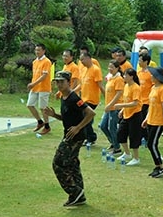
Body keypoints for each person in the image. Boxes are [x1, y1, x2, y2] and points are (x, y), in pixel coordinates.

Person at [43, 71, 96, 207]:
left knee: (58, 163)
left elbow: (91, 113)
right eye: (57, 82)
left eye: (62, 82)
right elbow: (67, 117)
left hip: (75, 137)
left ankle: (74, 192)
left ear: (69, 82)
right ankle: (79, 195)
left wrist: (78, 127)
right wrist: (54, 115)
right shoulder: (64, 97)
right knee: (72, 164)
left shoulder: (74, 98)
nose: (59, 85)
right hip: (69, 134)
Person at [143, 67, 163, 177]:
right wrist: (146, 118)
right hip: (151, 119)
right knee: (151, 144)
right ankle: (157, 165)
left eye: (153, 75)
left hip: (159, 121)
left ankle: (160, 166)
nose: (151, 77)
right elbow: (151, 106)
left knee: (152, 144)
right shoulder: (153, 88)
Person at [114, 68, 142, 166]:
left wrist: (121, 106)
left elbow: (135, 103)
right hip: (126, 114)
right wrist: (122, 110)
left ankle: (136, 158)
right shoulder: (126, 86)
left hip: (135, 115)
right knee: (120, 133)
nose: (124, 77)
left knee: (134, 136)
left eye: (125, 75)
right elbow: (127, 100)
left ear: (131, 76)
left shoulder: (136, 87)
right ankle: (126, 153)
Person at [79, 52, 104, 144]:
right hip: (84, 98)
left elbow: (100, 85)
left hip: (92, 99)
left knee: (86, 119)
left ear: (89, 58)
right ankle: (89, 136)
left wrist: (106, 97)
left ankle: (91, 138)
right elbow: (82, 84)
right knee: (83, 118)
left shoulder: (96, 70)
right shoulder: (84, 70)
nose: (81, 62)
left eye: (82, 60)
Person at [99, 60, 124, 155]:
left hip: (114, 108)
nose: (110, 69)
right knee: (103, 126)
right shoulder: (110, 78)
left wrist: (110, 105)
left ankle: (117, 148)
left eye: (112, 67)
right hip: (108, 107)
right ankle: (113, 142)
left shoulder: (119, 79)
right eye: (109, 67)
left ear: (117, 68)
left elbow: (118, 94)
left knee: (112, 127)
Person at [28, 43, 53, 135]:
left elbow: (44, 75)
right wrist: (33, 84)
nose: (37, 52)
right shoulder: (35, 62)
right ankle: (40, 122)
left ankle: (47, 126)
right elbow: (35, 75)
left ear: (43, 51)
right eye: (36, 50)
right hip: (35, 88)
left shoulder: (46, 61)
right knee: (30, 105)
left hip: (44, 88)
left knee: (43, 108)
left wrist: (33, 83)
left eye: (39, 50)